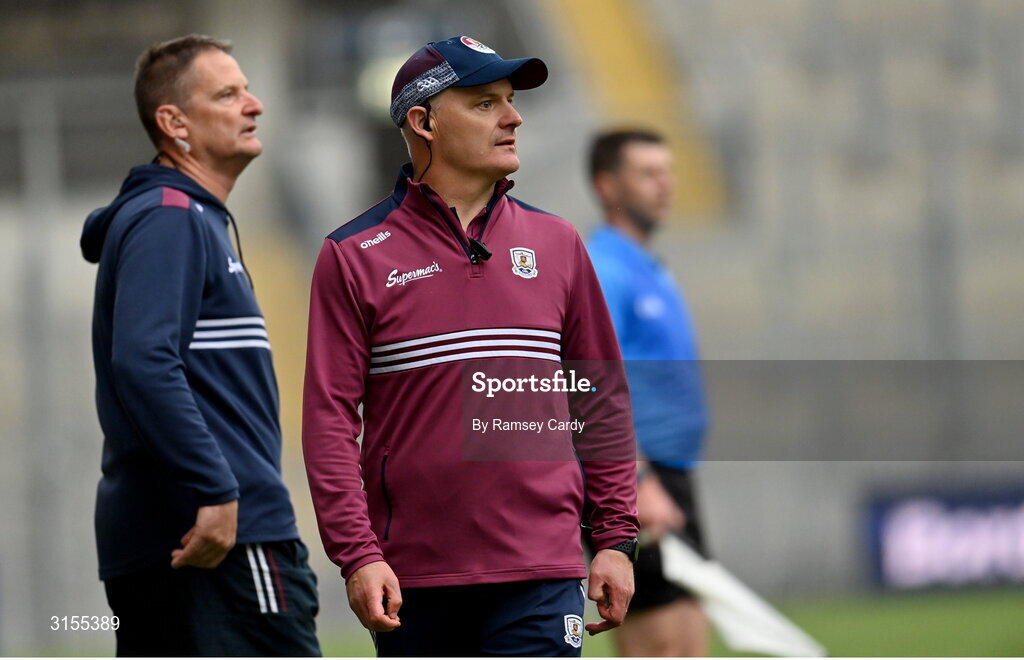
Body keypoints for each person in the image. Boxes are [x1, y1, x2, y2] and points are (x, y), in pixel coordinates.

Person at [302, 36, 639, 657]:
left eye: (510, 102)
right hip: (414, 583)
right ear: (423, 122)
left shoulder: (559, 243)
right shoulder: (351, 257)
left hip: (542, 574)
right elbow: (328, 424)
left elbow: (601, 403)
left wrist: (615, 539)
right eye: (485, 103)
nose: (513, 118)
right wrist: (357, 557)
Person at [80, 34, 320, 656]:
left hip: (188, 539)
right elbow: (143, 360)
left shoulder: (186, 218)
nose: (255, 104)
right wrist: (217, 489)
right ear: (174, 123)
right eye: (229, 93)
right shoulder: (170, 217)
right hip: (221, 544)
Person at [585, 129, 712, 656]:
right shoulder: (605, 268)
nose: (666, 185)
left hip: (668, 477)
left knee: (684, 641)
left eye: (669, 171)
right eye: (648, 173)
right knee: (665, 645)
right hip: (641, 480)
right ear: (607, 186)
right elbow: (585, 382)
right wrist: (635, 479)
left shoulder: (648, 266)